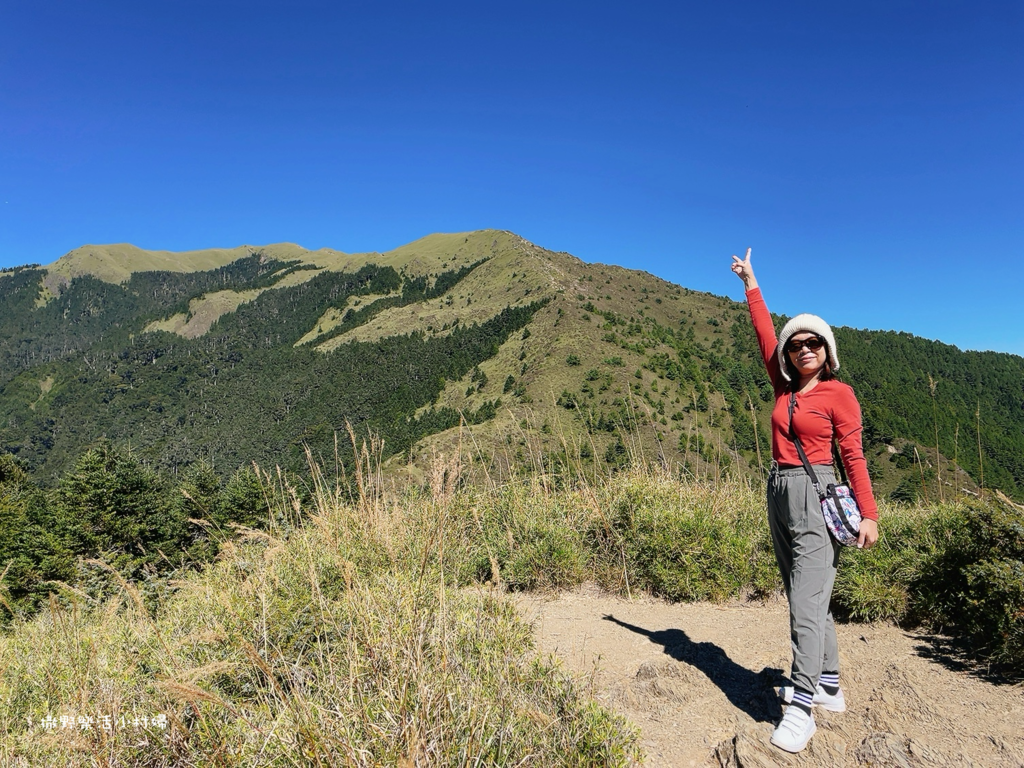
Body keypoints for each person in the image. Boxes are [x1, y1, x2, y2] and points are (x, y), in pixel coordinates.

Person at [730, 247, 879, 753]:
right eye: (797, 345)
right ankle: (830, 682)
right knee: (807, 595)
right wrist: (752, 282)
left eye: (814, 343)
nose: (803, 349)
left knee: (804, 603)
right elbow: (764, 336)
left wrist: (869, 515)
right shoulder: (784, 385)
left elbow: (854, 457)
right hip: (778, 490)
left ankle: (802, 707)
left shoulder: (840, 393)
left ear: (827, 349)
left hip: (817, 494)